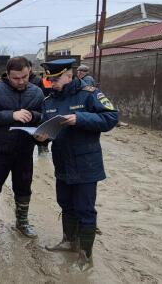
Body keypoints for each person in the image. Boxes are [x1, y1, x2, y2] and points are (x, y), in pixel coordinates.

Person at [37, 58, 118, 271]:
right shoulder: (49, 101)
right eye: (49, 80)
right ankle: (69, 241)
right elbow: (46, 127)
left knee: (85, 209)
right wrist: (41, 138)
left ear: (69, 75)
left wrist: (79, 118)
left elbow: (111, 118)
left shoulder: (89, 94)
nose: (51, 83)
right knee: (65, 203)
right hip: (62, 162)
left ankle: (85, 255)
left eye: (55, 79)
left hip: (86, 163)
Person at [0, 56, 44, 238]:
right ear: (7, 74)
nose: (21, 81)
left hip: (24, 150)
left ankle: (22, 222)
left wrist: (34, 117)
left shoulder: (37, 92)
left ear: (29, 72)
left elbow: (44, 115)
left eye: (25, 77)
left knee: (23, 187)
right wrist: (12, 115)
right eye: (16, 78)